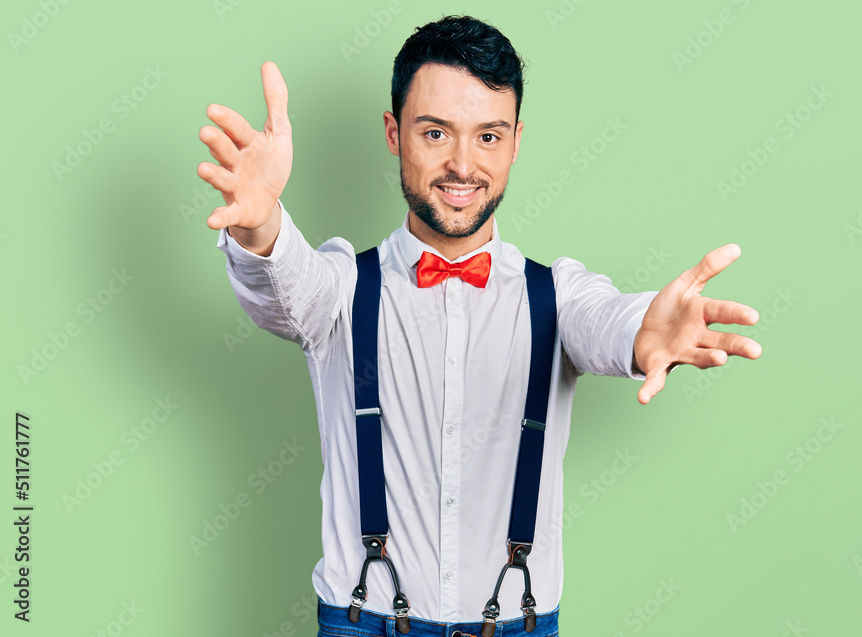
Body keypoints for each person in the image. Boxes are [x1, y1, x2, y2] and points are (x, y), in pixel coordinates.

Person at [198, 15, 762, 637]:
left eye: (488, 137)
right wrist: (260, 225)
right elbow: (285, 288)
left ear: (517, 141)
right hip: (363, 621)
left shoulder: (558, 294)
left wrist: (644, 331)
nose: (463, 165)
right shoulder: (341, 287)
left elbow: (608, 319)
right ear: (393, 132)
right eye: (436, 132)